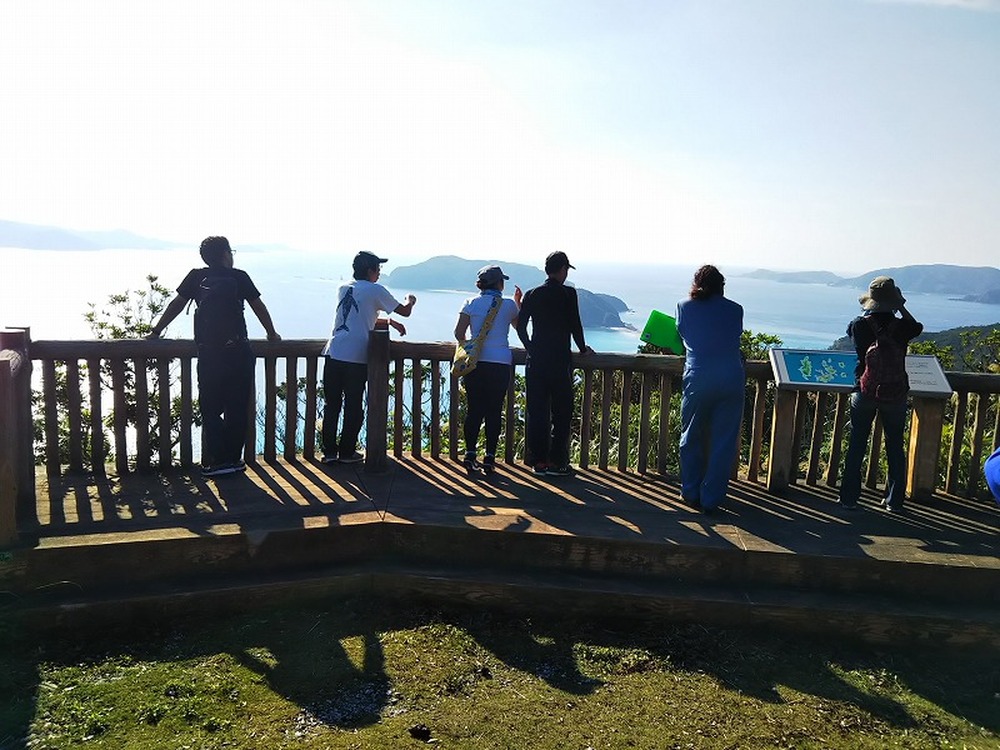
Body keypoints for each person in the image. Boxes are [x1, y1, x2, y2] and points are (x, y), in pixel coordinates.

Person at [148, 236, 281, 477]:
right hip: (238, 352)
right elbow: (258, 306)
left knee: (209, 408)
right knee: (237, 407)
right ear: (225, 254)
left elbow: (177, 305)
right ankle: (233, 460)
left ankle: (218, 460)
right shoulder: (239, 277)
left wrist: (156, 331)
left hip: (209, 353)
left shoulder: (196, 277)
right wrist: (271, 333)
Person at [322, 251, 416, 464]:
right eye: (378, 269)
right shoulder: (376, 290)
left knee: (332, 405)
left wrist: (389, 322)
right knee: (353, 406)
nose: (379, 273)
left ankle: (329, 453)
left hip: (334, 352)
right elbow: (404, 311)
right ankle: (347, 452)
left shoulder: (344, 288)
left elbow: (358, 315)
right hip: (356, 356)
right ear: (370, 270)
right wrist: (410, 300)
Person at [839, 276, 923, 512]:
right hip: (895, 393)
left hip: (864, 391)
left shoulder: (859, 325)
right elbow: (917, 327)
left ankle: (848, 499)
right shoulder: (902, 327)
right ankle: (894, 501)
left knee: (857, 443)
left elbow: (850, 331)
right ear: (893, 299)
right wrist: (900, 306)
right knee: (895, 446)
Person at [515, 251, 593, 476]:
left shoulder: (532, 294)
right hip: (559, 361)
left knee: (537, 412)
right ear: (562, 270)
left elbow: (521, 328)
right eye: (566, 269)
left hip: (536, 362)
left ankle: (539, 462)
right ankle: (558, 463)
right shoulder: (568, 294)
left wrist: (531, 349)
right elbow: (575, 324)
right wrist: (583, 349)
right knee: (562, 413)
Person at [675, 265, 745, 514]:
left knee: (691, 436)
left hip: (699, 378)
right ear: (721, 286)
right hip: (731, 377)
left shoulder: (684, 307)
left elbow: (683, 334)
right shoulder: (736, 309)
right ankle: (711, 499)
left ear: (696, 284)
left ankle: (690, 492)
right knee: (723, 441)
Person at [454, 265, 521, 477]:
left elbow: (458, 333)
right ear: (500, 284)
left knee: (474, 410)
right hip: (500, 363)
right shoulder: (508, 305)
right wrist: (518, 303)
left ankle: (470, 454)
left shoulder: (470, 303)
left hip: (475, 363)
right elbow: (519, 326)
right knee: (494, 410)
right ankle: (490, 458)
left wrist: (473, 346)